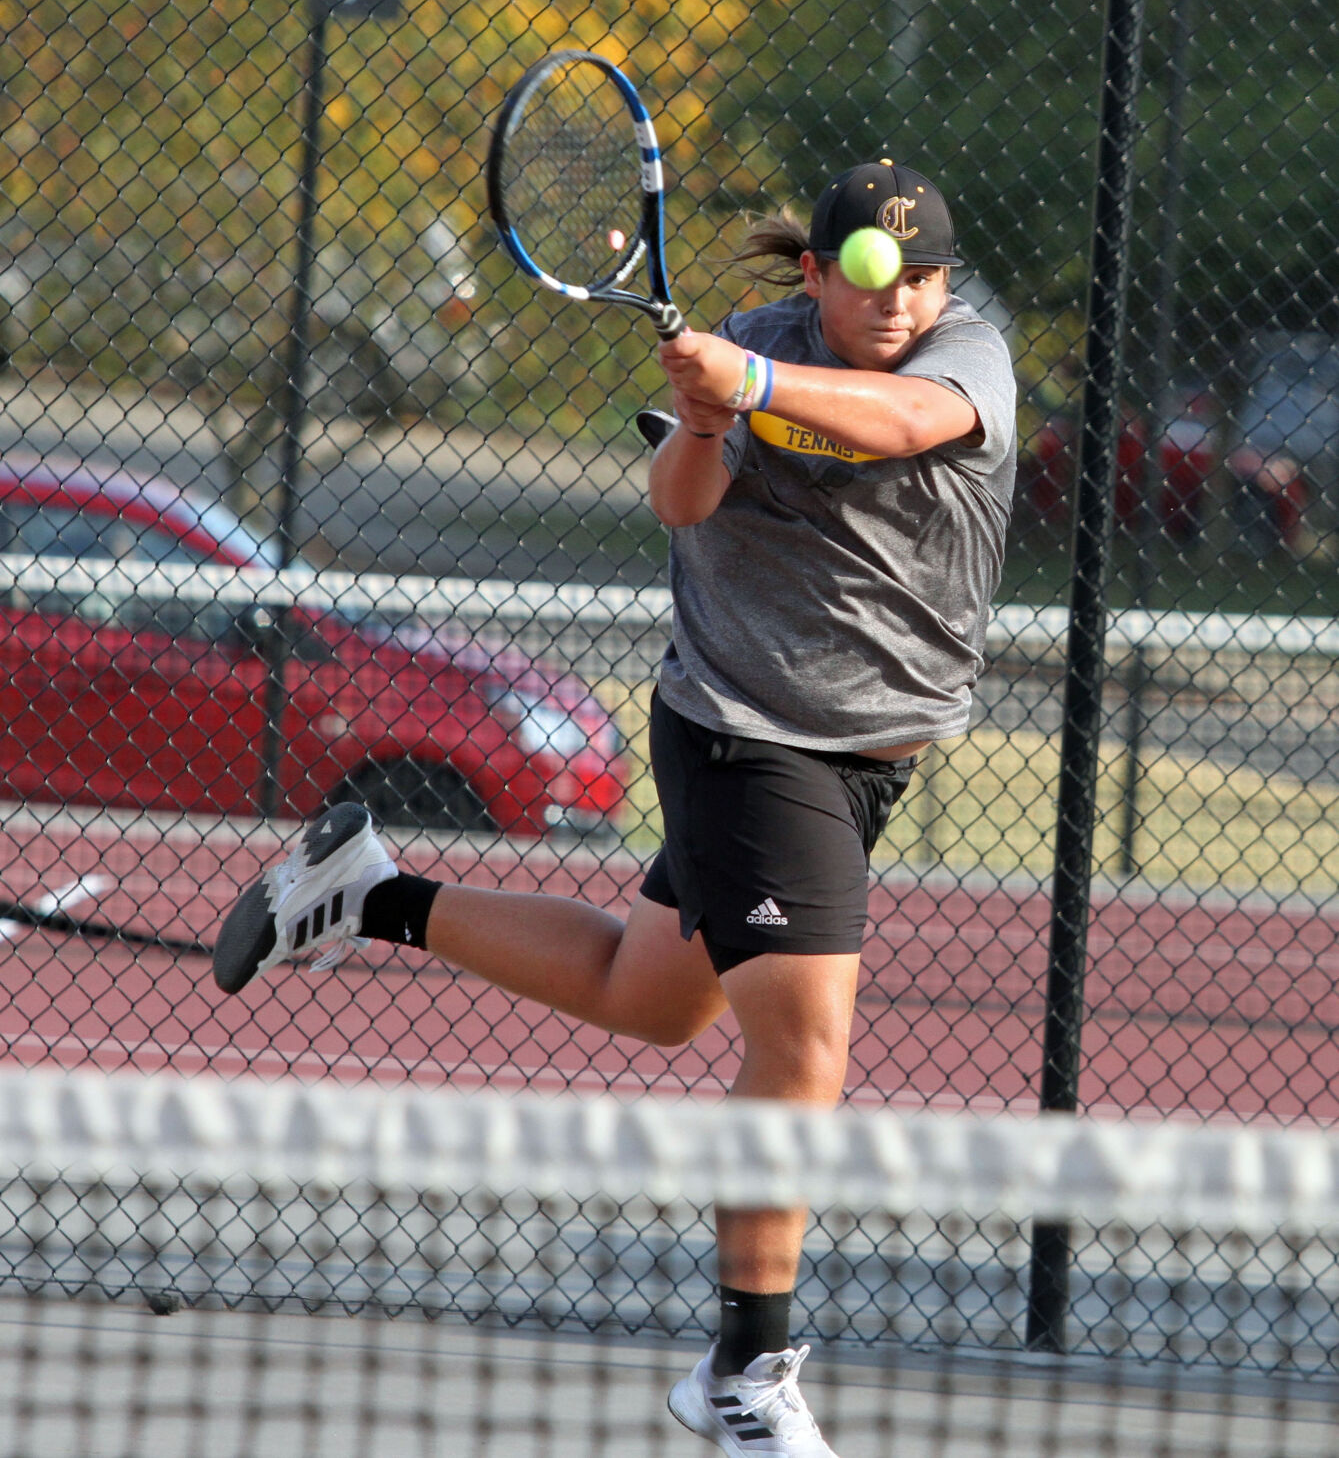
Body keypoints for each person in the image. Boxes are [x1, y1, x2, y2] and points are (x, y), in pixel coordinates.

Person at [213, 158, 1017, 1458]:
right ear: (816, 277)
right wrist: (703, 420)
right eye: (875, 274)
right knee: (804, 1053)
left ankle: (367, 891)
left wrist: (747, 388)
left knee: (652, 998)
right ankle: (747, 1370)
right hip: (750, 735)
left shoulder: (968, 354)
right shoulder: (758, 344)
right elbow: (681, 506)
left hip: (869, 756)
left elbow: (904, 425)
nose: (903, 298)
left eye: (922, 276)